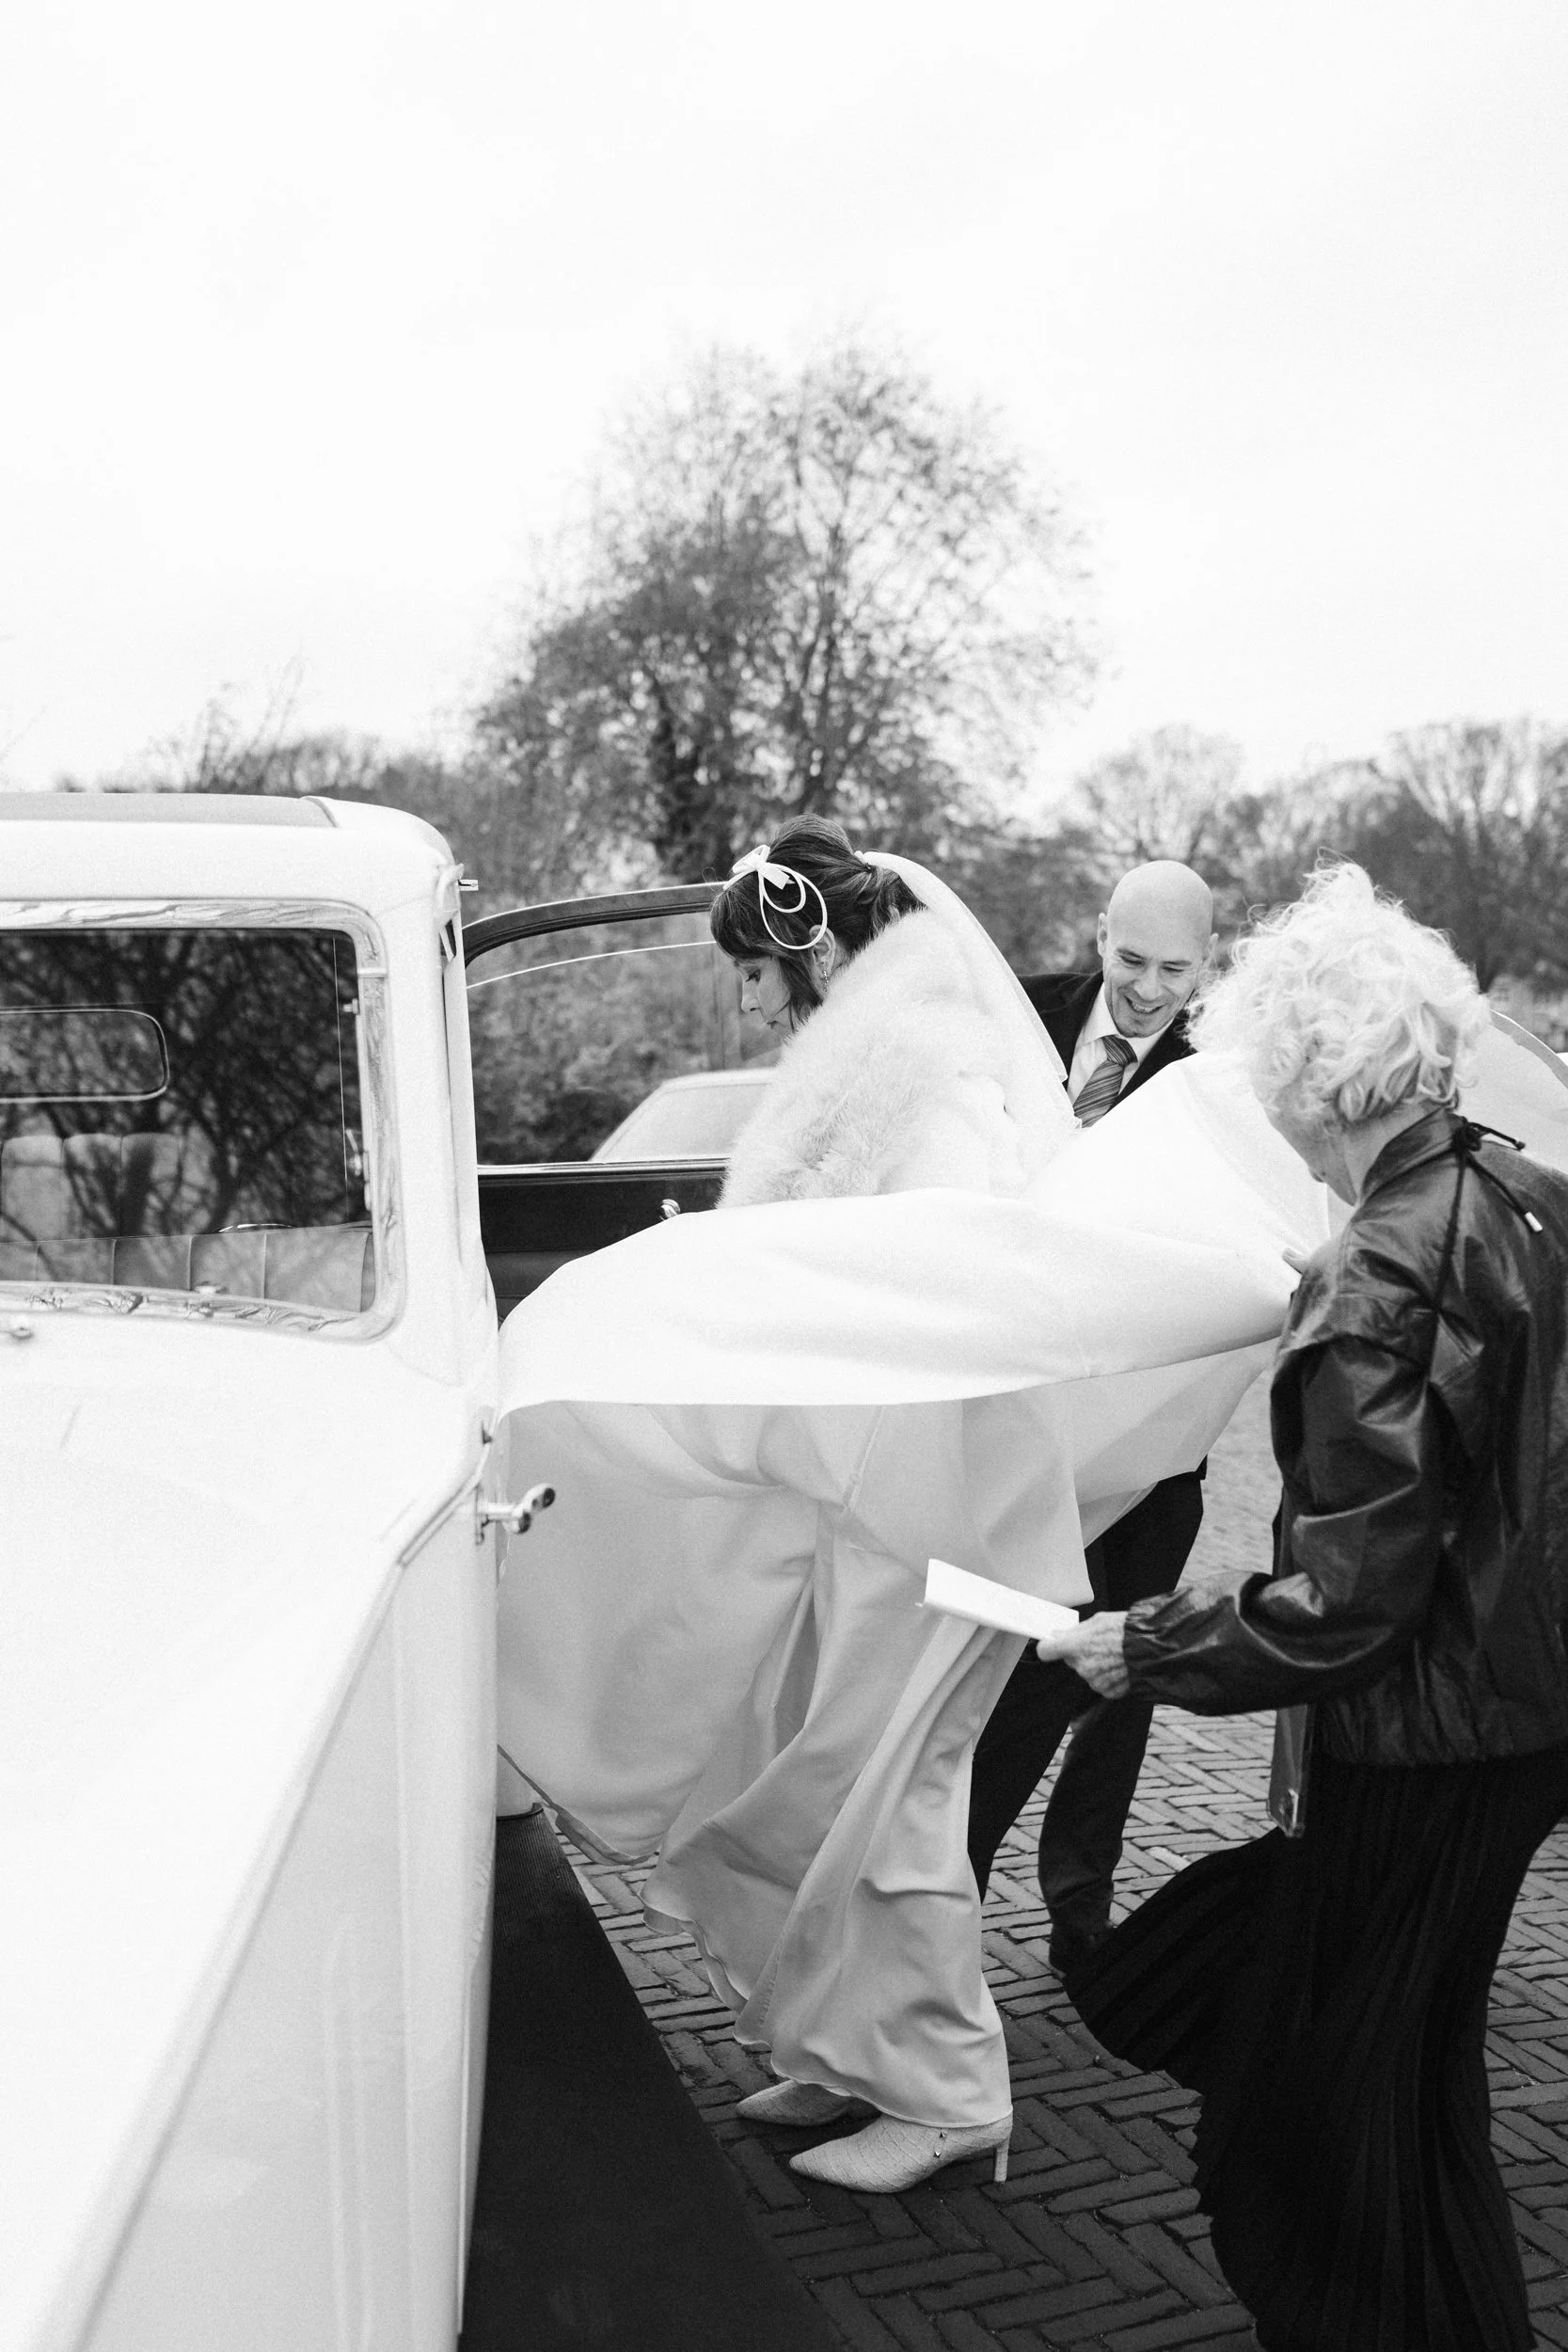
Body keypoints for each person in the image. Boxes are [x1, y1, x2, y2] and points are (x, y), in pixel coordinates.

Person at [1034, 863, 1568, 2352]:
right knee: (1395, 2070)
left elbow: (1343, 1606)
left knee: (1344, 2121)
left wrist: (1138, 1645)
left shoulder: (1375, 1273)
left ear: (1315, 1089)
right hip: (1524, 1725)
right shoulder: (1523, 1193)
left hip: (1419, 1746)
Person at [966, 860, 1219, 1973]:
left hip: (1154, 1437)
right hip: (1017, 1419)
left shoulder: (1214, 1086)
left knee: (1125, 1678)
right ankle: (943, 1893)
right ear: (1097, 932)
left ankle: (1080, 1905)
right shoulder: (1010, 1015)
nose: (1147, 989)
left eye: (1174, 970)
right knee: (1005, 1664)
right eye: (1130, 959)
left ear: (1206, 966)